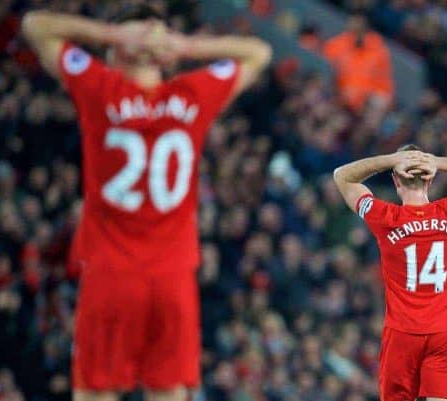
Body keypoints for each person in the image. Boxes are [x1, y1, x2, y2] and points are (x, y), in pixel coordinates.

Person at [22, 5, 271, 401]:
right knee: (169, 391)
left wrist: (112, 36)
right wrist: (186, 46)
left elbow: (34, 25)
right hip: (172, 275)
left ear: (117, 52)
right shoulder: (193, 93)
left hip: (111, 271)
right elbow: (258, 52)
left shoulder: (101, 88)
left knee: (96, 391)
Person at [333, 145, 447, 401]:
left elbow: (342, 176)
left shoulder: (385, 217)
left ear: (395, 178)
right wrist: (437, 161)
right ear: (430, 178)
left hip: (402, 333)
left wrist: (391, 160)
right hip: (445, 332)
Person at [323, 14, 394, 112]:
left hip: (367, 98)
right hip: (339, 92)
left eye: (360, 28)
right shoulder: (337, 44)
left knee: (378, 102)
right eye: (353, 25)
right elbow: (325, 65)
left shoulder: (378, 50)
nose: (355, 30)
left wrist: (356, 94)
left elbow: (375, 81)